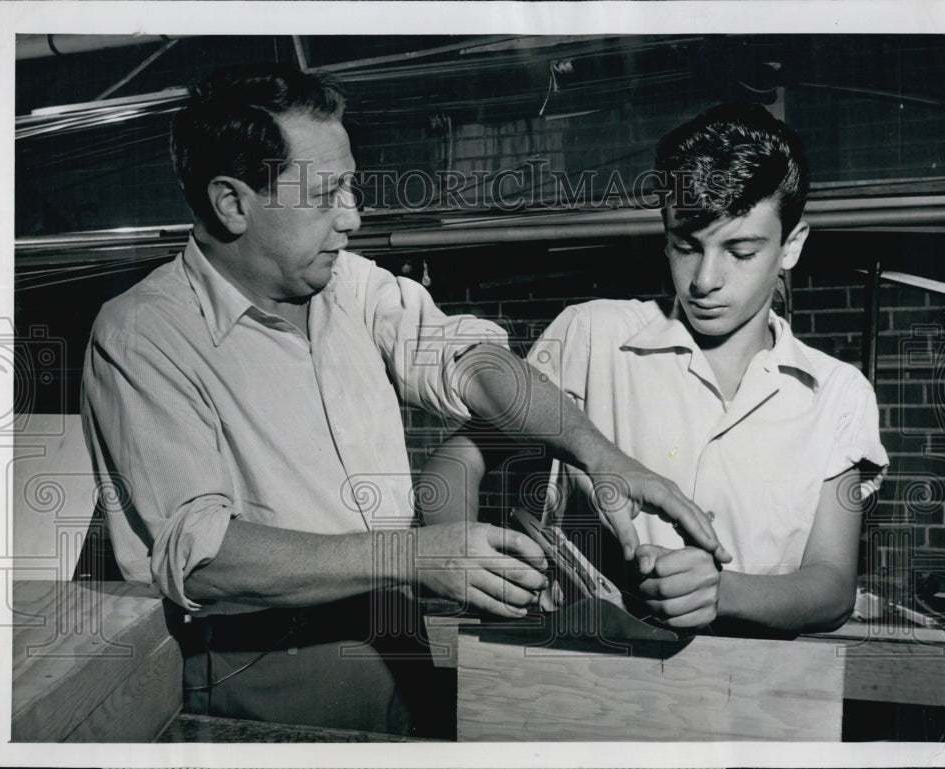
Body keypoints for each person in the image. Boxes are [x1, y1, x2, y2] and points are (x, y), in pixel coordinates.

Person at [80, 63, 727, 736]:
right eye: (326, 194)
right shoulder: (143, 334)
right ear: (233, 202)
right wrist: (414, 557)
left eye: (351, 186)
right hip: (263, 683)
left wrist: (598, 453)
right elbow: (205, 555)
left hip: (400, 651)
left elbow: (471, 363)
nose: (352, 217)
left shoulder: (349, 288)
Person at [425, 103, 888, 635]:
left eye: (740, 251)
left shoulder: (837, 393)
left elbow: (831, 587)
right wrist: (465, 574)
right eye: (685, 246)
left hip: (755, 696)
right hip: (579, 682)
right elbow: (452, 466)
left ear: (791, 246)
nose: (705, 280)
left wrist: (724, 592)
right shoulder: (592, 336)